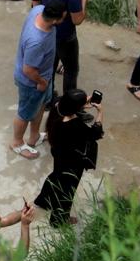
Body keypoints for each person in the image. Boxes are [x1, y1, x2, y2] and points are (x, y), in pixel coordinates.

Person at [33, 89, 104, 227]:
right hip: (72, 162)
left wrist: (81, 102)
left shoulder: (57, 108)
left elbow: (69, 105)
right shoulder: (76, 125)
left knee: (55, 176)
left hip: (59, 153)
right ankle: (58, 220)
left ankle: (44, 201)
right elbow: (95, 134)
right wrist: (100, 112)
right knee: (67, 190)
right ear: (76, 108)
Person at [12, 1, 68, 159]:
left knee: (41, 105)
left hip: (45, 76)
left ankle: (34, 136)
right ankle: (17, 143)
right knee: (25, 112)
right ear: (55, 20)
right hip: (32, 82)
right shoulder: (37, 41)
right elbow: (28, 69)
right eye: (63, 17)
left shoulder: (39, 9)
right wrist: (41, 82)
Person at [40, 0, 96, 93]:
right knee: (71, 69)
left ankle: (48, 98)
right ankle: (69, 105)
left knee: (50, 65)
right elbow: (77, 20)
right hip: (65, 35)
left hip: (47, 28)